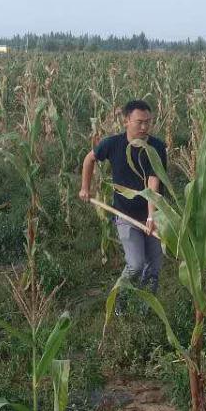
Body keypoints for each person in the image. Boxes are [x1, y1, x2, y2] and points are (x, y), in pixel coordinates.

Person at [78, 99, 167, 294]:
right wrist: (85, 187)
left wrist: (152, 216)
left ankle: (146, 305)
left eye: (148, 122)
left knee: (153, 268)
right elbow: (89, 158)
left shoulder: (156, 147)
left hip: (154, 215)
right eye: (139, 122)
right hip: (125, 215)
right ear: (126, 120)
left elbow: (153, 182)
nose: (144, 127)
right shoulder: (112, 144)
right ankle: (120, 297)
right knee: (136, 264)